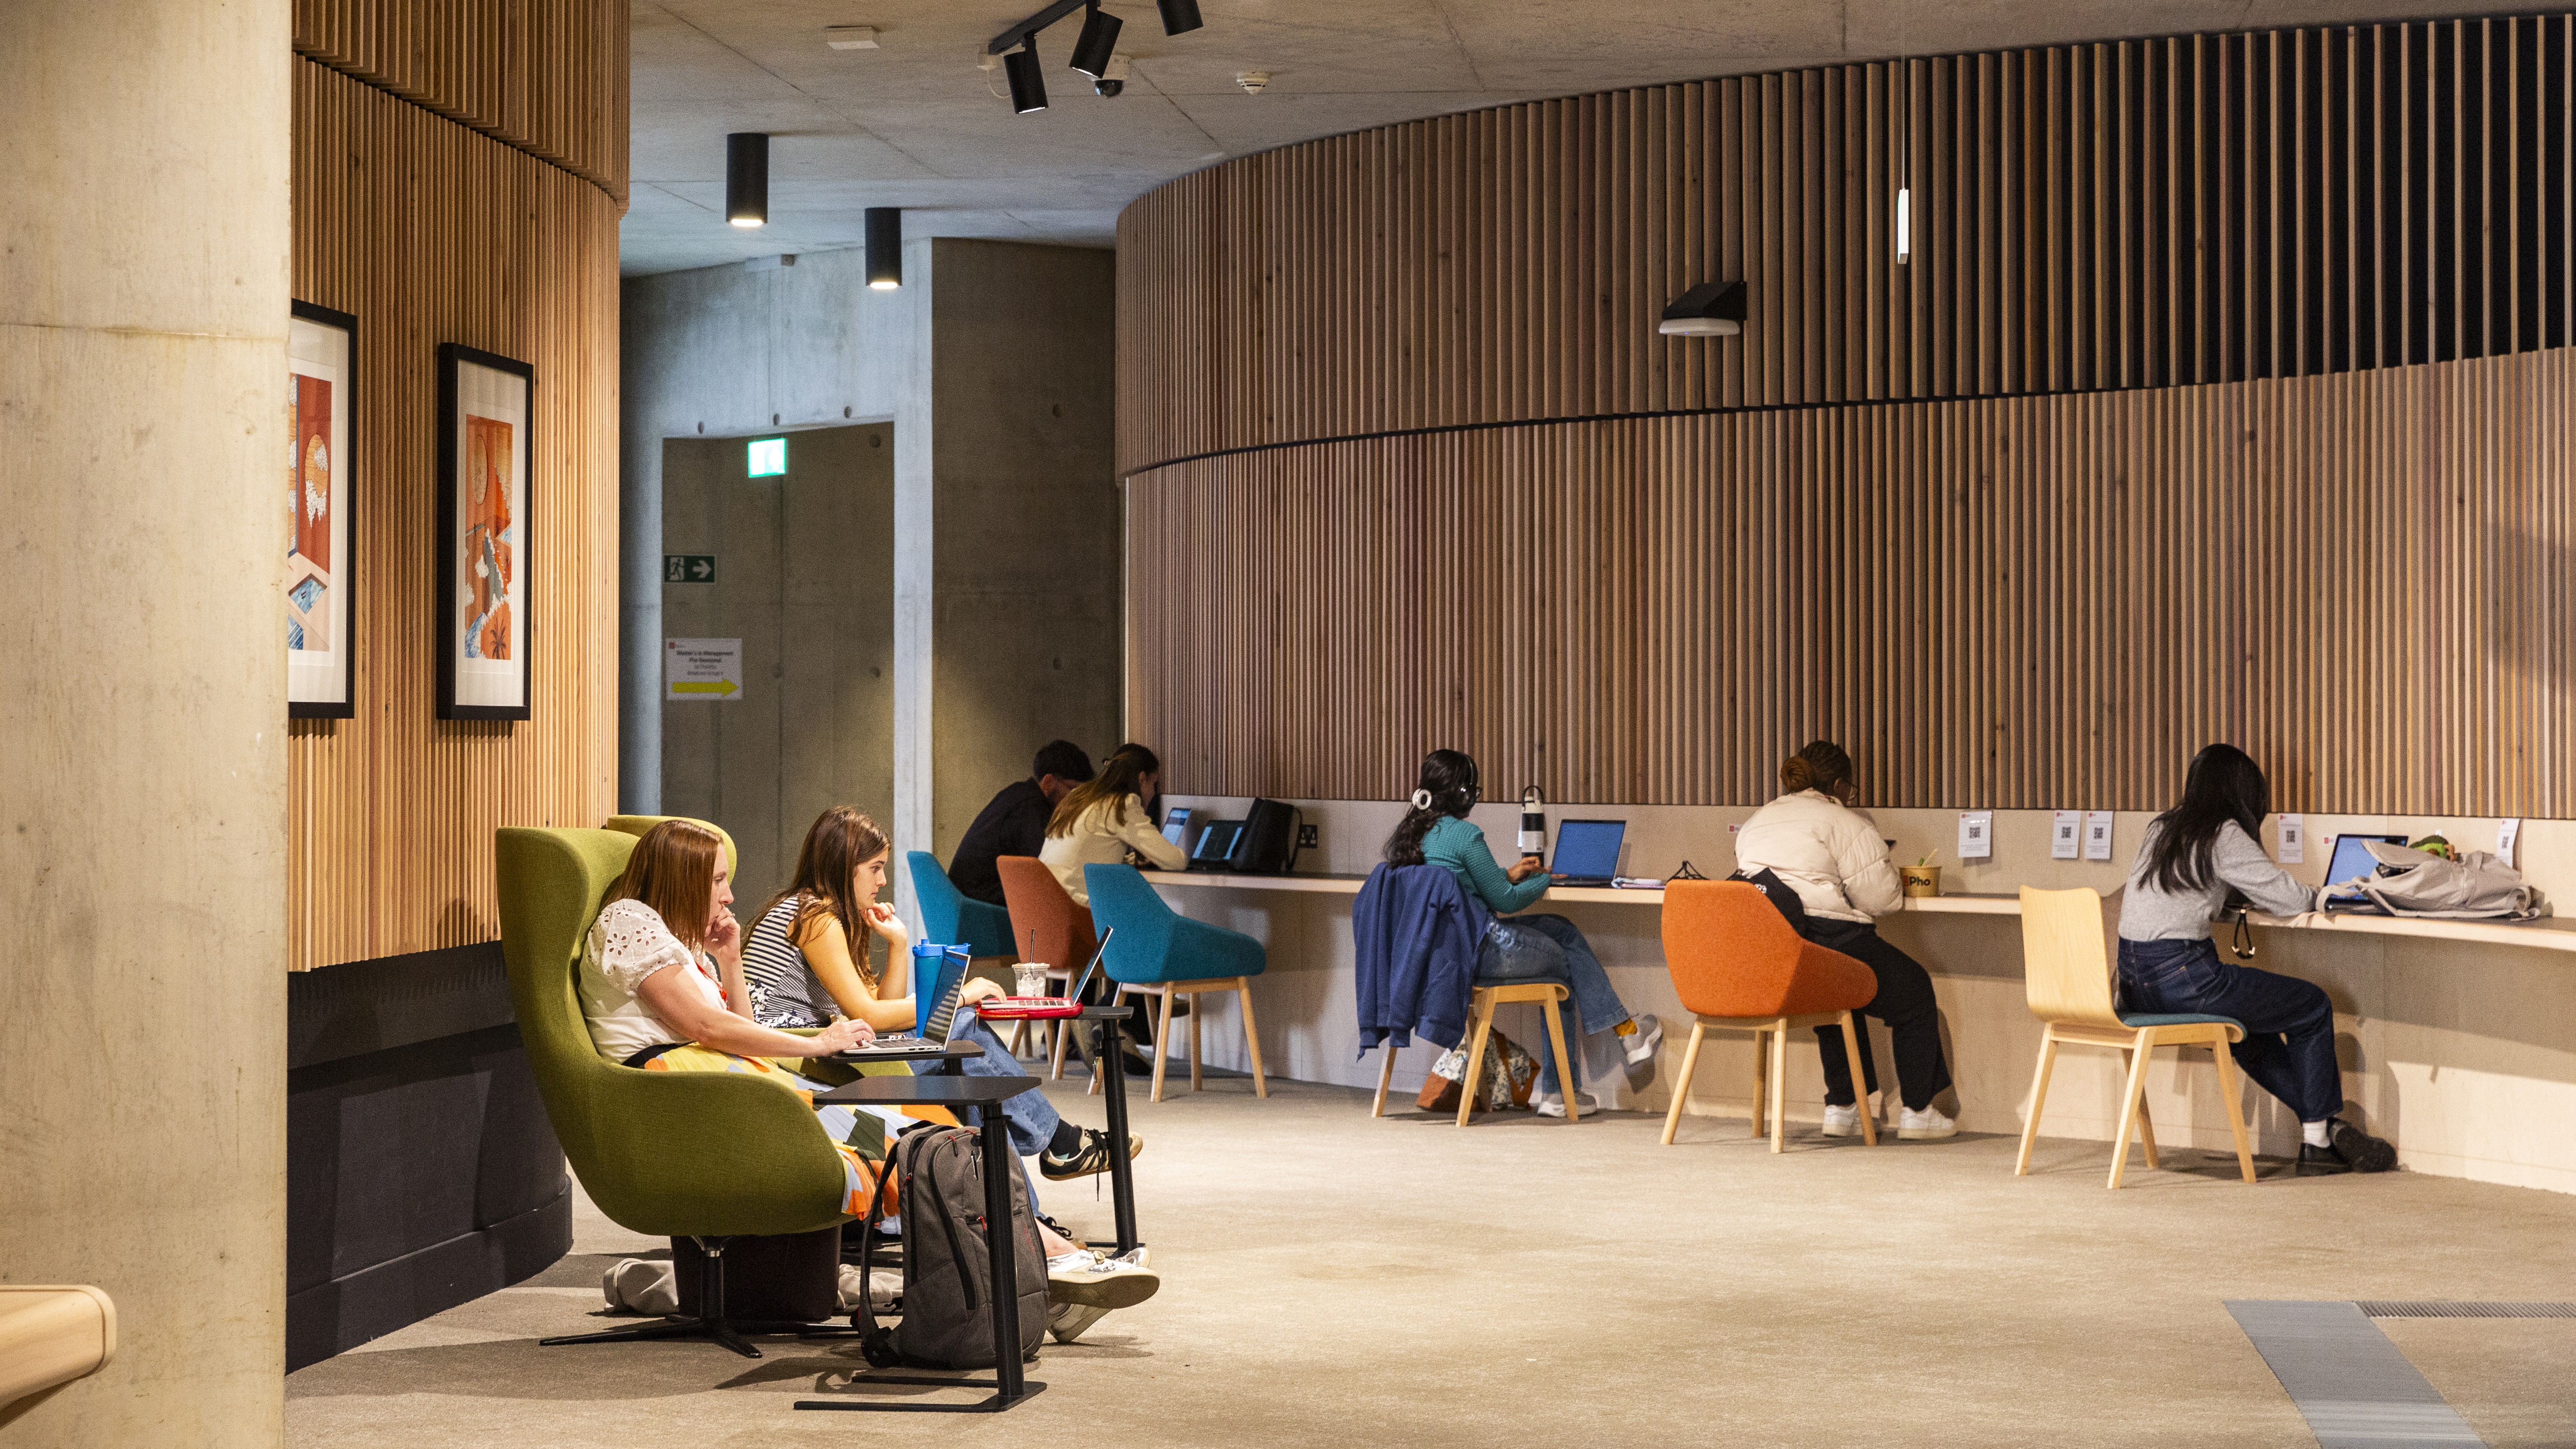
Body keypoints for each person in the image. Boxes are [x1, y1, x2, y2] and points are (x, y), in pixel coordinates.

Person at [581, 819, 1157, 1339]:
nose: (729, 895)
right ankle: (1045, 1251)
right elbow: (709, 1026)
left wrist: (730, 959)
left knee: (931, 1134)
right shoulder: (632, 920)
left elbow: (736, 1023)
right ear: (679, 877)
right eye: (717, 881)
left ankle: (1041, 1257)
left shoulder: (687, 939)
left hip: (735, 1077)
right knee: (915, 1134)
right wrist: (825, 1039)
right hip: (697, 1088)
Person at [740, 805, 1140, 1184]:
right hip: (803, 1058)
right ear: (845, 869)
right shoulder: (817, 917)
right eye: (875, 869)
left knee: (969, 1067)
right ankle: (1058, 1148)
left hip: (821, 1052)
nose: (882, 881)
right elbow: (875, 1018)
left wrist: (898, 944)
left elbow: (878, 1014)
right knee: (962, 1030)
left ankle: (1042, 1177)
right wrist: (960, 996)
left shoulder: (815, 912)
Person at [2118, 744, 2395, 1174]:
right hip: (2184, 978)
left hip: (2135, 986)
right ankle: (2320, 1140)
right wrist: (2328, 894)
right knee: (2311, 1006)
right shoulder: (2223, 832)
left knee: (2248, 1030)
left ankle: (2324, 1131)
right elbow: (2287, 899)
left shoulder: (2163, 828)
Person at [1384, 749, 1661, 1116]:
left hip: (1444, 962)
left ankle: (1621, 1039)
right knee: (1564, 963)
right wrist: (1544, 878)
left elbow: (1466, 887)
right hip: (1483, 953)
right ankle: (1565, 1087)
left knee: (1561, 929)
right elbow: (1507, 902)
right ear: (1465, 794)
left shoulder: (1413, 838)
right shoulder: (1465, 835)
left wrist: (1509, 874)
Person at [1733, 740, 1959, 1140]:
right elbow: (1883, 900)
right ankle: (1917, 1111)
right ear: (1839, 786)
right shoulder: (1847, 823)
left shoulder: (1757, 821)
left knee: (1832, 996)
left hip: (1772, 949)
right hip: (1827, 934)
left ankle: (1843, 1106)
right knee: (1914, 992)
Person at [949, 740, 1094, 907]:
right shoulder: (1030, 808)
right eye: (1072, 789)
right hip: (980, 909)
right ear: (1048, 782)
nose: (1078, 800)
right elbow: (1047, 871)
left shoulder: (1017, 794)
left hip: (963, 903)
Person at [1038, 743, 1186, 907]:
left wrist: (1132, 861)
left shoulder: (1077, 798)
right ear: (1142, 778)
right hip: (1078, 913)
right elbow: (1176, 861)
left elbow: (1089, 855)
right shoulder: (1122, 804)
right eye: (1154, 783)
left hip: (1045, 908)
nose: (1153, 791)